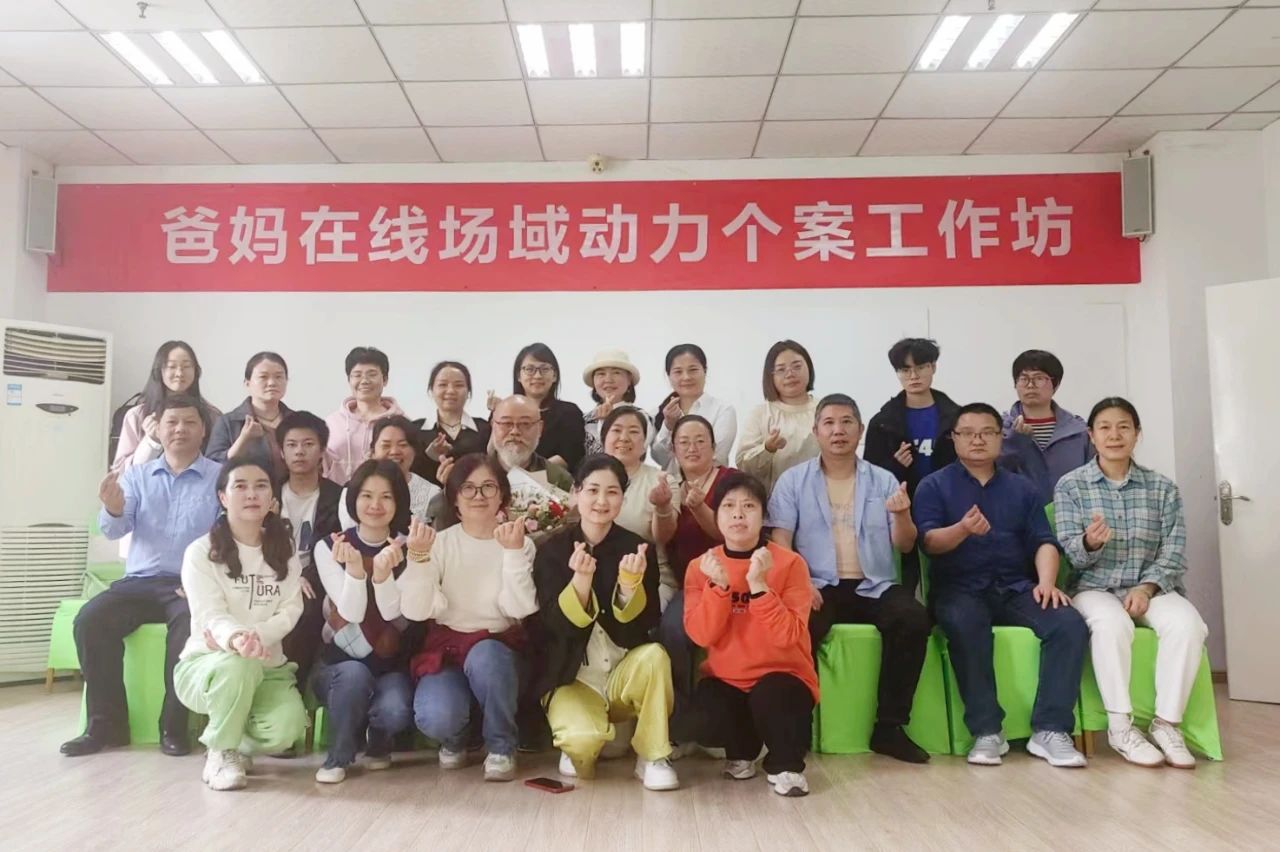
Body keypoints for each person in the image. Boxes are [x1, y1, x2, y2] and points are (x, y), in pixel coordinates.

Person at [914, 403, 1089, 768]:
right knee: (966, 624)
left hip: (1015, 587)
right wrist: (962, 529)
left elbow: (1044, 541)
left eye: (987, 432)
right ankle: (987, 731)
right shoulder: (934, 485)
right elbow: (929, 542)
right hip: (959, 589)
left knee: (1068, 623)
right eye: (968, 433)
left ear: (1000, 437)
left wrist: (1047, 583)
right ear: (954, 438)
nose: (977, 440)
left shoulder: (1022, 488)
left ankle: (1051, 729)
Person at [768, 394, 931, 764]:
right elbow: (780, 542)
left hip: (874, 584)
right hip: (818, 584)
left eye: (846, 422)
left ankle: (889, 728)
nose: (838, 430)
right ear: (816, 431)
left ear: (860, 430)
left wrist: (902, 515)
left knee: (913, 619)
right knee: (797, 628)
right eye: (829, 423)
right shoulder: (793, 481)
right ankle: (796, 730)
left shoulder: (884, 479)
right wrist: (799, 585)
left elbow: (905, 545)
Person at [62, 394, 222, 758]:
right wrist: (114, 509)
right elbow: (114, 530)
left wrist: (205, 580)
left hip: (188, 584)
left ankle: (173, 726)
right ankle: (106, 726)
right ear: (158, 429)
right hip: (139, 582)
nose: (180, 429)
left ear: (203, 430)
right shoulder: (137, 476)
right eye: (171, 422)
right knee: (90, 620)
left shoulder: (219, 479)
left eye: (189, 422)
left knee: (188, 627)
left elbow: (226, 538)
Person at [1054, 397, 1208, 769]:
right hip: (1094, 587)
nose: (1114, 435)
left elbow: (1173, 550)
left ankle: (1166, 724)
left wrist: (1146, 587)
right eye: (1104, 427)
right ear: (1091, 435)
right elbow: (1070, 554)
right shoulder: (1071, 486)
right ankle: (1121, 727)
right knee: (1111, 625)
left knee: (1189, 625)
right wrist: (1090, 543)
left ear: (1137, 434)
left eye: (1123, 427)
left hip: (1151, 586)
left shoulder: (1162, 488)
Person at [532, 454, 678, 790]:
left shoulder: (637, 548)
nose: (601, 500)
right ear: (576, 493)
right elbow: (552, 627)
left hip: (621, 671)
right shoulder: (551, 550)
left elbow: (647, 622)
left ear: (623, 498)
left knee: (656, 656)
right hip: (573, 677)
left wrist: (628, 589)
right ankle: (586, 735)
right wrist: (580, 585)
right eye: (592, 490)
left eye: (612, 492)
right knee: (583, 749)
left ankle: (654, 755)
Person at [679, 471, 819, 797]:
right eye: (728, 506)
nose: (738, 514)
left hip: (783, 676)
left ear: (763, 515)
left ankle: (786, 765)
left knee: (773, 694)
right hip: (728, 678)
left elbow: (788, 635)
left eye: (749, 506)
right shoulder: (702, 566)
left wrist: (758, 586)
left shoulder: (790, 564)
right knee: (703, 716)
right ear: (716, 515)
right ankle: (741, 752)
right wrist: (718, 588)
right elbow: (701, 636)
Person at [400, 454, 538, 782]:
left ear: (502, 496)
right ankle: (458, 737)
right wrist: (418, 558)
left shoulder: (519, 543)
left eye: (488, 487)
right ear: (454, 498)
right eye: (468, 488)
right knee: (435, 716)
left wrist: (513, 553)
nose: (479, 496)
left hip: (497, 650)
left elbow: (518, 609)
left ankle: (501, 746)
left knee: (486, 656)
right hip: (447, 650)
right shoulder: (439, 543)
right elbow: (416, 611)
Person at [174, 458, 307, 791]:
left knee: (288, 730)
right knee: (239, 665)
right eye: (240, 486)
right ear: (223, 497)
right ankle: (221, 751)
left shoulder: (284, 550)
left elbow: (291, 608)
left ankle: (237, 738)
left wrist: (256, 637)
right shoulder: (200, 552)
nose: (251, 494)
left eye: (261, 486)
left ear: (272, 498)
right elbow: (209, 614)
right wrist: (237, 640)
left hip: (268, 666)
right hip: (209, 664)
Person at [310, 459, 420, 783]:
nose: (375, 505)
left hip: (390, 666)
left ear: (399, 502)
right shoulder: (330, 546)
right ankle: (338, 758)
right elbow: (352, 612)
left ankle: (378, 737)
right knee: (354, 675)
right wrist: (356, 571)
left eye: (386, 497)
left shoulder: (410, 548)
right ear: (353, 499)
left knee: (396, 709)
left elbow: (396, 614)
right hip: (338, 667)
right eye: (366, 495)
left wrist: (384, 573)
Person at [864, 338, 960, 594]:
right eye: (905, 370)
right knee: (904, 585)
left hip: (946, 510)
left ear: (933, 367)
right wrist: (895, 465)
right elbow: (869, 475)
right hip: (899, 513)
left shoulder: (956, 417)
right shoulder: (882, 422)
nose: (914, 376)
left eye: (921, 367)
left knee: (947, 585)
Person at [661, 414, 737, 719]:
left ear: (714, 447)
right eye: (684, 442)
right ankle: (681, 717)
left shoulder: (731, 481)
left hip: (732, 581)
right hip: (690, 586)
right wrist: (662, 507)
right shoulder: (669, 487)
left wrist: (699, 508)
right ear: (673, 450)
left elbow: (729, 534)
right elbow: (663, 539)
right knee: (672, 631)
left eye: (700, 441)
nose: (692, 448)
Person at [276, 411, 343, 687]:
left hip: (317, 579)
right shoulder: (267, 491)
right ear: (281, 452)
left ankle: (293, 685)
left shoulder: (337, 497)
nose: (299, 451)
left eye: (308, 444)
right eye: (291, 445)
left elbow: (335, 548)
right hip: (270, 576)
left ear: (322, 450)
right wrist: (288, 577)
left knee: (307, 606)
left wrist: (305, 577)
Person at [1000, 350, 1094, 504]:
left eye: (1039, 378)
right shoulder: (999, 429)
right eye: (1023, 378)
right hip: (1016, 515)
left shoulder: (1079, 432)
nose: (1030, 385)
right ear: (1015, 384)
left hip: (1070, 514)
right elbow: (989, 474)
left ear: (1055, 384)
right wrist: (1015, 442)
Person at [111, 340, 221, 472]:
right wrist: (150, 443)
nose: (179, 373)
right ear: (159, 371)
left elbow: (220, 469)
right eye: (172, 366)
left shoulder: (212, 416)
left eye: (186, 366)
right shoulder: (136, 416)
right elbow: (120, 474)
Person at [736, 340, 819, 494]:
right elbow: (743, 465)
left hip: (820, 498)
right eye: (781, 369)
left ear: (809, 367)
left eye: (797, 366)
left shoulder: (824, 410)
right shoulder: (760, 413)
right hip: (773, 502)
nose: (790, 374)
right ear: (770, 376)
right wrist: (767, 449)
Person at [337, 415, 441, 528]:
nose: (394, 451)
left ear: (414, 450)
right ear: (373, 452)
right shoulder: (352, 490)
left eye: (402, 445)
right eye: (386, 445)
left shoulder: (432, 494)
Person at [651, 343, 737, 473]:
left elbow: (717, 457)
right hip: (671, 484)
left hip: (711, 482)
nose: (686, 377)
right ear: (668, 376)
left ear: (705, 371)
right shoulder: (659, 413)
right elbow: (660, 459)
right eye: (678, 372)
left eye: (693, 370)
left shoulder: (723, 410)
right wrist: (668, 426)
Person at [207, 351, 293, 480]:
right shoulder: (229, 422)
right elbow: (212, 468)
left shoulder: (297, 421)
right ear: (247, 383)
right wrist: (243, 440)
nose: (272, 383)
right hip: (249, 491)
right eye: (263, 377)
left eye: (278, 376)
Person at [325, 346, 405, 486]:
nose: (364, 381)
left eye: (372, 374)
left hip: (384, 495)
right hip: (336, 496)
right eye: (357, 375)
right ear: (349, 380)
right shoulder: (332, 423)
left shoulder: (400, 422)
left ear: (385, 379)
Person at [501, 343, 585, 472]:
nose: (537, 376)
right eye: (530, 369)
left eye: (544, 369)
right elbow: (491, 453)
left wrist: (527, 476)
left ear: (555, 375)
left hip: (554, 481)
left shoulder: (569, 413)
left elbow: (570, 456)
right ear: (519, 375)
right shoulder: (504, 411)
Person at [411, 360, 492, 486]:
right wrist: (429, 456)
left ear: (468, 392)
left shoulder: (484, 429)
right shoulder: (415, 430)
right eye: (442, 385)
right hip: (429, 498)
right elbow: (410, 475)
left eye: (458, 385)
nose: (450, 391)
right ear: (431, 390)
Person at [582, 349, 651, 456]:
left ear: (629, 380)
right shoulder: (584, 419)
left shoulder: (641, 417)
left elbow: (635, 454)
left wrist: (607, 422)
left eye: (616, 373)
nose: (608, 380)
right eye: (601, 374)